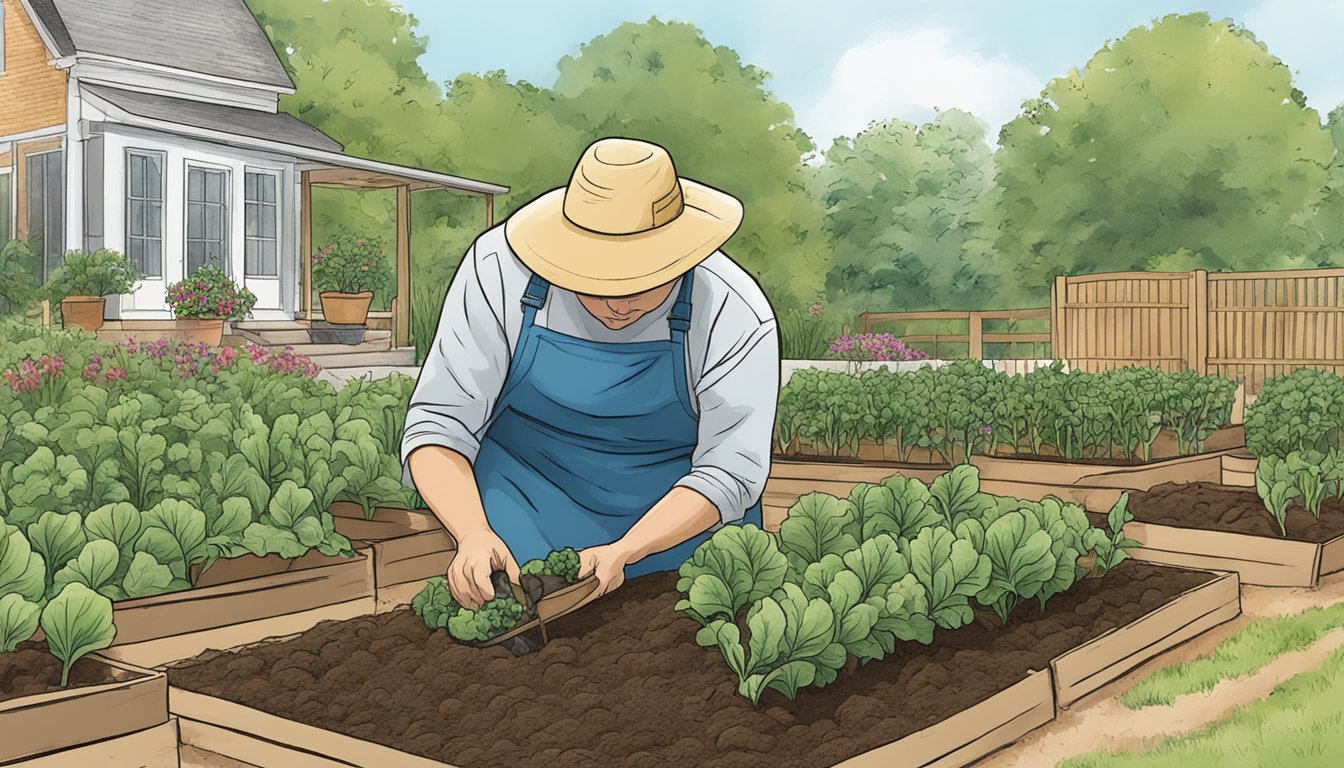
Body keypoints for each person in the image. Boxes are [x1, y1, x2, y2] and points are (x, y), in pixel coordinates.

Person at [401, 137, 779, 609]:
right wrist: (473, 533)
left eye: (642, 279)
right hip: (527, 511)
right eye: (592, 278)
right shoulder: (499, 270)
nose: (618, 304)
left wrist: (628, 549)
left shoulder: (732, 309)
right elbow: (441, 422)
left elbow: (731, 468)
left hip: (680, 533)